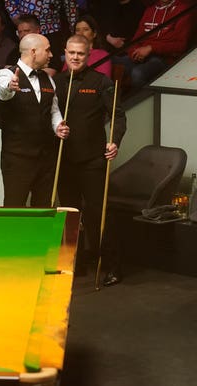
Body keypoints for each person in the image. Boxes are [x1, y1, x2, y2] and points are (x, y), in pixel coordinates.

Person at [54, 34, 127, 283]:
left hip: (93, 159)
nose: (75, 57)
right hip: (65, 160)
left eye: (80, 54)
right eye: (71, 52)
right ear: (65, 52)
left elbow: (118, 115)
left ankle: (111, 265)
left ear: (89, 54)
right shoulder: (56, 81)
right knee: (71, 215)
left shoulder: (101, 82)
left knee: (98, 213)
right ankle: (76, 262)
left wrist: (114, 140)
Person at [0, 33, 69, 207]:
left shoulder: (48, 78)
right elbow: (2, 93)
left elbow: (53, 110)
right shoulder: (7, 74)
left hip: (45, 157)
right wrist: (9, 86)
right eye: (48, 50)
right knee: (14, 208)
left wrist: (58, 125)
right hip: (18, 158)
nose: (51, 55)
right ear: (34, 52)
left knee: (43, 208)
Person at [111, 0, 195, 91]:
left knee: (138, 73)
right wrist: (134, 52)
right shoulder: (150, 10)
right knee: (108, 61)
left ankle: (142, 104)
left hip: (164, 59)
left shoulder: (183, 9)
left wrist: (151, 48)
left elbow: (180, 45)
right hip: (142, 55)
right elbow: (136, 40)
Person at [4, 0, 78, 72]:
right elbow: (6, 73)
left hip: (53, 31)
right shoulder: (14, 53)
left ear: (38, 31)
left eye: (26, 31)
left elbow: (49, 74)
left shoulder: (49, 52)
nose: (23, 35)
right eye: (20, 32)